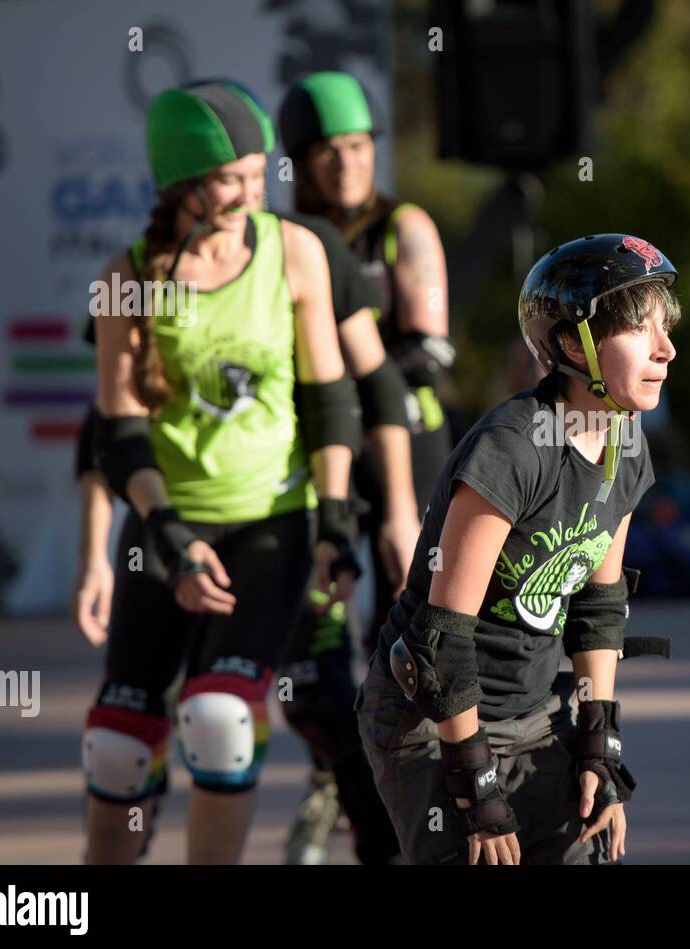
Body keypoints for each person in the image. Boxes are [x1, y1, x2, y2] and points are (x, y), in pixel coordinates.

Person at [79, 79, 362, 864]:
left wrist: (337, 521)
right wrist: (169, 539)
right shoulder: (125, 279)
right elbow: (118, 436)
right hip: (166, 521)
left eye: (257, 172)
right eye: (228, 178)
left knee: (219, 717)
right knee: (118, 739)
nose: (249, 193)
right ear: (179, 184)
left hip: (272, 521)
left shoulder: (294, 250)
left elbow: (330, 398)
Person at [356, 234, 678, 864]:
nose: (665, 349)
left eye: (665, 328)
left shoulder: (627, 443)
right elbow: (441, 640)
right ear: (573, 345)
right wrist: (474, 784)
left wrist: (598, 743)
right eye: (641, 329)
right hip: (434, 716)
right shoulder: (512, 449)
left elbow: (598, 611)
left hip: (532, 713)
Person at [275, 69, 456, 862]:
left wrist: (334, 377)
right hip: (322, 457)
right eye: (328, 149)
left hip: (404, 450)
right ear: (298, 160)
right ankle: (348, 789)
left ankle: (401, 820)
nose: (348, 161)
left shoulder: (402, 227)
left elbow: (428, 354)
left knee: (407, 653)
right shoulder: (284, 238)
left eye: (359, 145)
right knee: (313, 672)